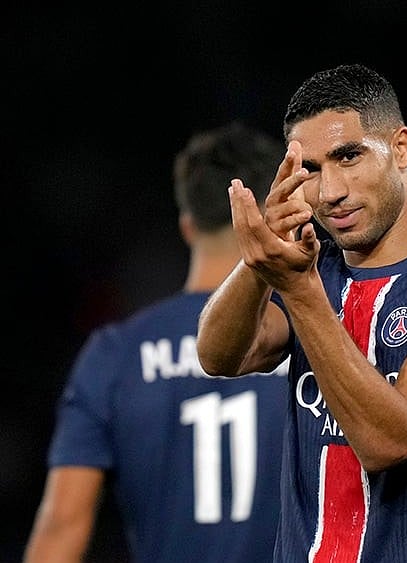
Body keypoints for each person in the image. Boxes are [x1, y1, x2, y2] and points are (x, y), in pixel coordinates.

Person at [195, 63, 407, 562]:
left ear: (401, 148)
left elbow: (389, 440)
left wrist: (300, 290)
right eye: (310, 169)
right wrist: (258, 261)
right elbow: (220, 355)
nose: (330, 191)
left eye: (348, 156)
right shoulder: (311, 267)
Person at [23, 121, 289, 563]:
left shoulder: (115, 354)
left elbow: (62, 526)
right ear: (265, 214)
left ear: (187, 226)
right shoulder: (310, 336)